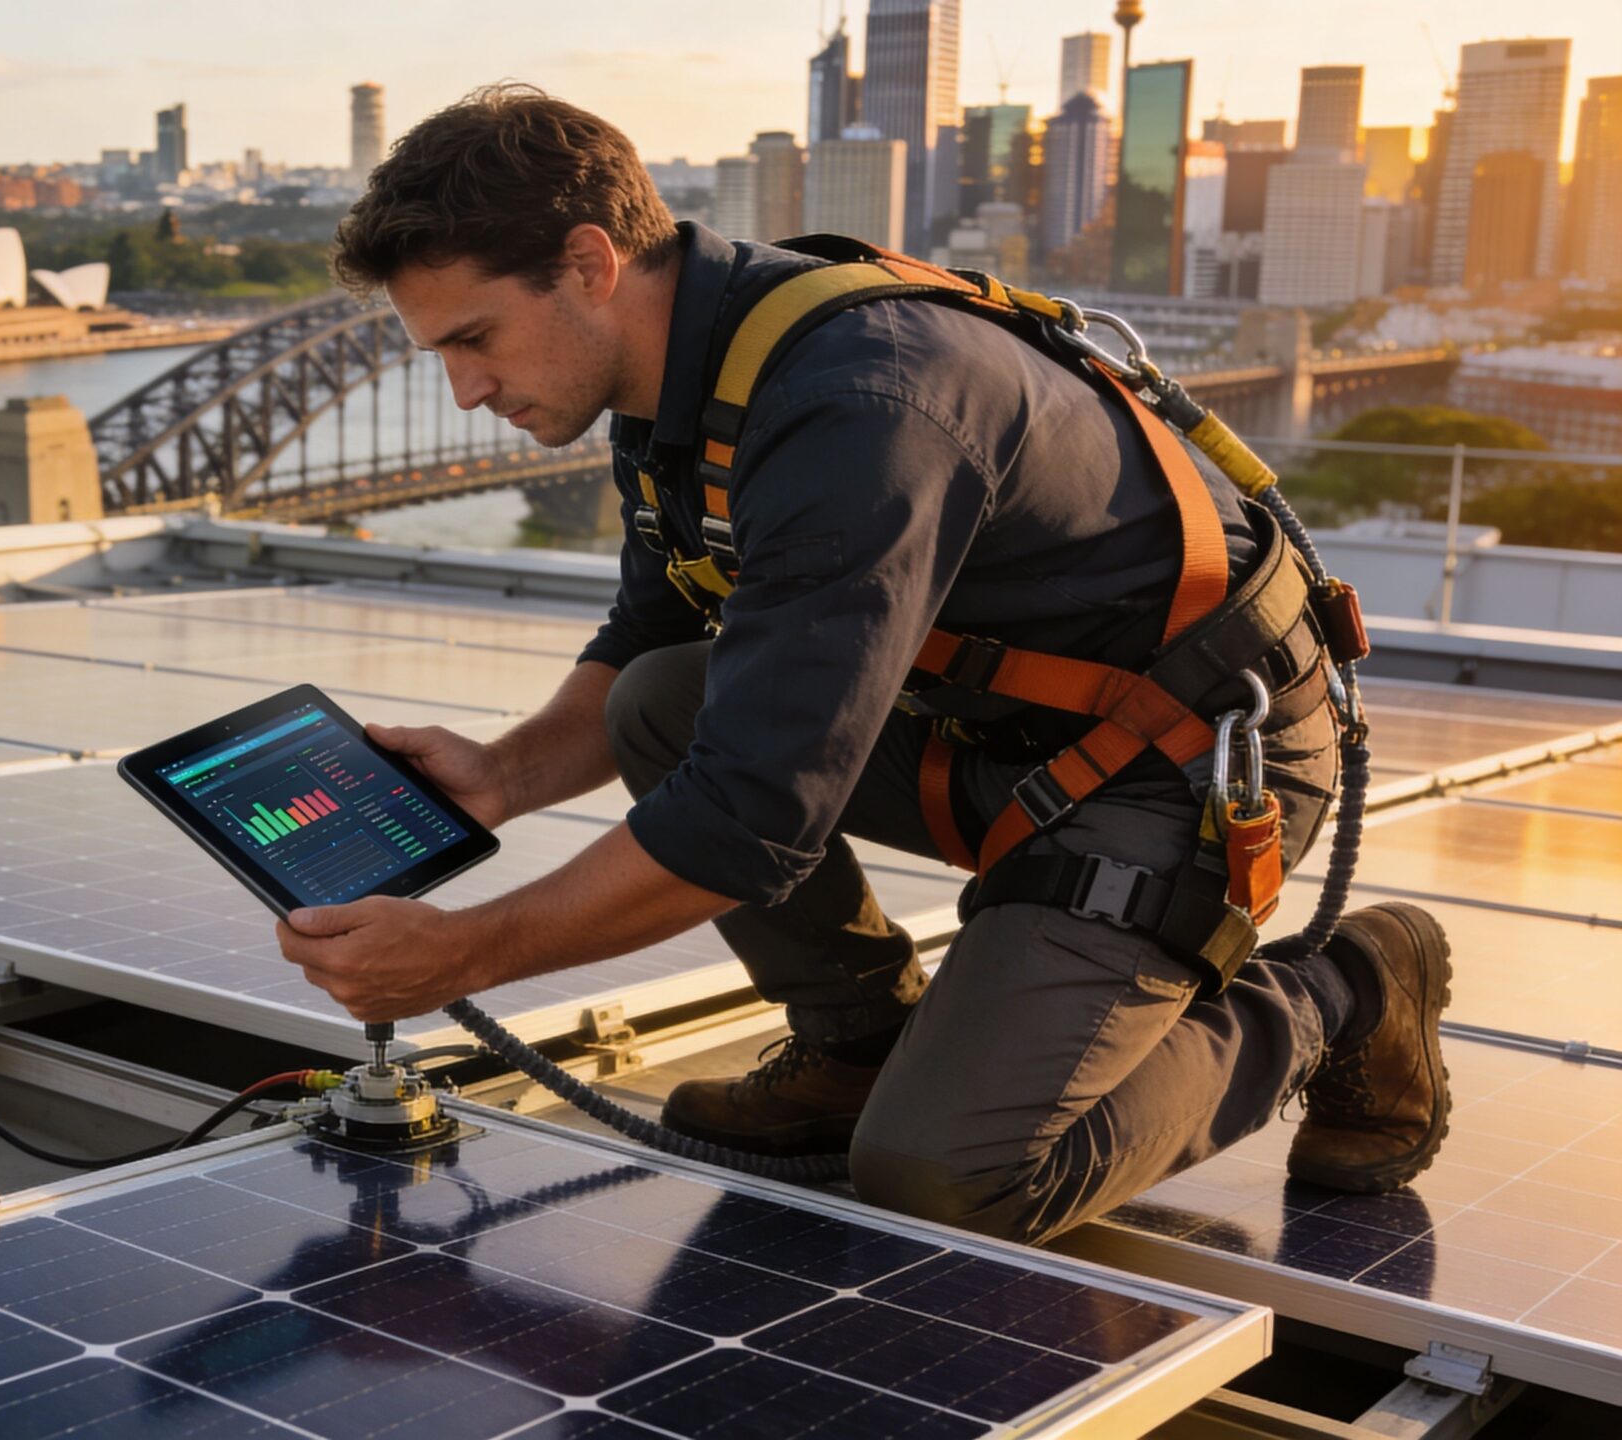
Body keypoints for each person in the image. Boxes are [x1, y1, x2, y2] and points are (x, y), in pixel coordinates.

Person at [275, 83, 1449, 1245]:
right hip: (1003, 734)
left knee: (952, 1178)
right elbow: (659, 632)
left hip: (1185, 762)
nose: (465, 389)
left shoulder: (856, 399)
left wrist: (467, 951)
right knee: (659, 703)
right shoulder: (677, 374)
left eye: (473, 339)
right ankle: (861, 1044)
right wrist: (504, 773)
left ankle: (1342, 987)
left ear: (590, 263)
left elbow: (750, 819)